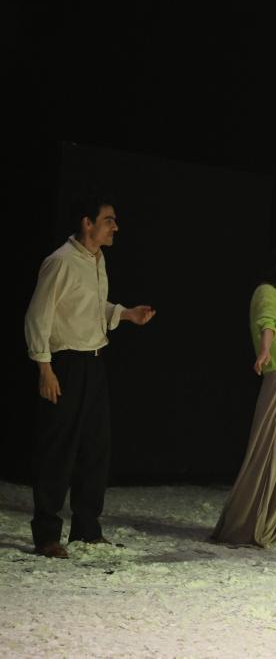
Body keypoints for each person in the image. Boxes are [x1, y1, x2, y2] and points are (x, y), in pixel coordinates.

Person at [24, 194, 156, 558]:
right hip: (66, 362)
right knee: (59, 449)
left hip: (94, 362)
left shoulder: (98, 260)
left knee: (96, 447)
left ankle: (86, 529)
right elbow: (38, 316)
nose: (115, 227)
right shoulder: (61, 262)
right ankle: (47, 534)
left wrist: (126, 314)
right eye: (109, 220)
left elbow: (91, 307)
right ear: (87, 223)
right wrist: (45, 368)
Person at [212, 238, 276, 547]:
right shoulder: (265, 292)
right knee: (271, 445)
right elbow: (267, 321)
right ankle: (250, 522)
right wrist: (265, 349)